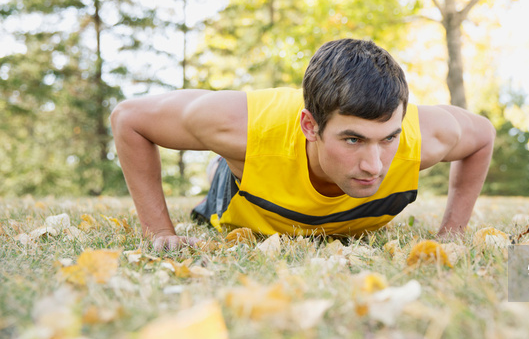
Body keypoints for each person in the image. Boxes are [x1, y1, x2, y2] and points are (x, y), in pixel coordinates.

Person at [110, 39, 496, 250]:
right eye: (352, 140)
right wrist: (159, 233)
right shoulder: (239, 124)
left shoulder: (426, 137)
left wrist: (452, 232)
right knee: (224, 169)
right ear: (310, 126)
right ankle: (220, 169)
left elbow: (483, 136)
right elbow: (129, 118)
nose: (374, 165)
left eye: (388, 139)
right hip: (245, 193)